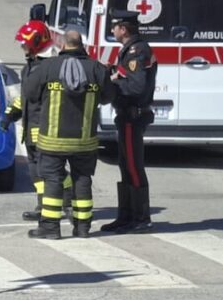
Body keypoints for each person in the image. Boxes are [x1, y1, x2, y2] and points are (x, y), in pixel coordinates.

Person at [24, 30, 115, 239]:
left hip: (52, 141)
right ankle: (83, 228)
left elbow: (30, 94)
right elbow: (109, 96)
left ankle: (50, 228)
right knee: (82, 180)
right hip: (85, 141)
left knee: (53, 181)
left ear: (62, 45)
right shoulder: (96, 69)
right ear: (81, 44)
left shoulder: (47, 67)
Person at [1, 20, 73, 221]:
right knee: (35, 171)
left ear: (36, 42)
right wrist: (9, 115)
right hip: (31, 128)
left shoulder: (47, 68)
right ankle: (43, 204)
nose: (23, 47)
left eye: (25, 43)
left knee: (51, 170)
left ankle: (68, 199)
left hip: (46, 128)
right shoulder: (31, 67)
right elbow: (24, 98)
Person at [102, 13, 158, 234]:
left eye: (114, 27)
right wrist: (114, 72)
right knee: (125, 165)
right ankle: (125, 216)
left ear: (123, 29)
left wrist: (111, 85)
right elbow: (128, 77)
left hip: (132, 115)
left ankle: (140, 217)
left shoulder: (138, 50)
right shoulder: (129, 49)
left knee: (133, 166)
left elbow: (136, 87)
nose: (113, 30)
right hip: (126, 114)